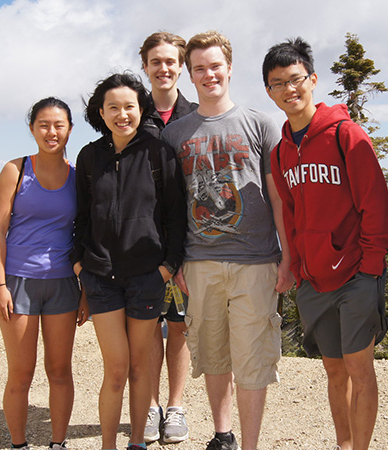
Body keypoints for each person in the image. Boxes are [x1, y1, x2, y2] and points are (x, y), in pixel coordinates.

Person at [160, 30, 294, 450]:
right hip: (199, 263)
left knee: (253, 361)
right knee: (212, 354)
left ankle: (250, 444)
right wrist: (176, 262)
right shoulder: (175, 134)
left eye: (215, 66)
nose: (208, 74)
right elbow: (169, 206)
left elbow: (277, 196)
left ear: (230, 68)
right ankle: (224, 435)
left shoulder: (259, 124)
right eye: (198, 68)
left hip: (256, 261)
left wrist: (287, 258)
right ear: (189, 74)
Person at [262, 38, 388, 450]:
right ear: (269, 91)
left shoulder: (346, 135)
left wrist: (370, 268)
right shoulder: (282, 151)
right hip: (314, 281)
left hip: (355, 275)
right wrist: (296, 266)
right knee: (334, 374)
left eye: (296, 79)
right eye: (278, 83)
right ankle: (343, 444)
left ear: (313, 80)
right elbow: (291, 213)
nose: (289, 89)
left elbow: (375, 206)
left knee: (360, 371)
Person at [72, 72, 187, 450]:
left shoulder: (158, 153)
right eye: (113, 107)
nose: (122, 114)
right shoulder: (90, 156)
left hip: (146, 277)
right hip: (101, 278)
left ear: (142, 109)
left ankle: (136, 443)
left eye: (130, 107)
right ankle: (109, 445)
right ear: (101, 112)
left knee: (140, 370)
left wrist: (168, 265)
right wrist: (79, 263)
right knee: (116, 369)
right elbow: (82, 216)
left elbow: (175, 215)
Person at [0, 97, 87, 450]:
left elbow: (84, 237)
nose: (51, 132)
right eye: (44, 124)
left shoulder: (78, 178)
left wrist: (86, 290)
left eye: (59, 125)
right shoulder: (15, 171)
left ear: (70, 130)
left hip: (63, 283)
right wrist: (0, 285)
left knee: (60, 372)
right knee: (21, 373)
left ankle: (58, 444)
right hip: (18, 282)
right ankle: (19, 445)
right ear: (32, 128)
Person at [137, 31, 197, 444]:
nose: (164, 68)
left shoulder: (197, 115)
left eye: (171, 61)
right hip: (140, 243)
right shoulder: (130, 114)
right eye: (156, 61)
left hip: (190, 241)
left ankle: (174, 406)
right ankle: (149, 405)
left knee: (178, 327)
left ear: (182, 66)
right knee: (144, 328)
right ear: (145, 66)